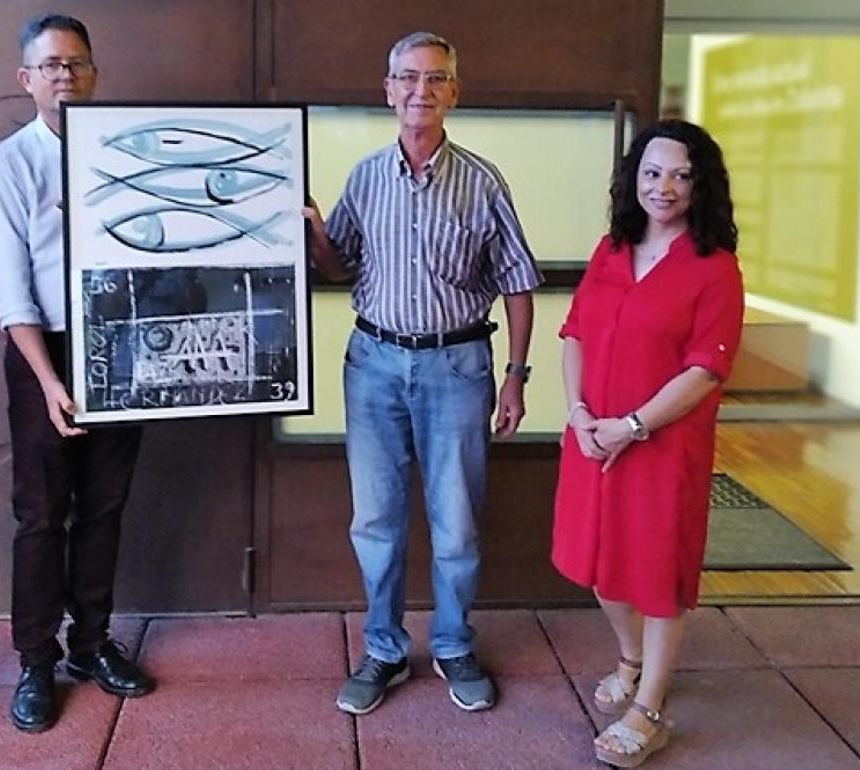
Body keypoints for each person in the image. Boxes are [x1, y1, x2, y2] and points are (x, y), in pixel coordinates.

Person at [304, 31, 542, 716]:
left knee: (456, 521)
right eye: (408, 78)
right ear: (388, 90)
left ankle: (452, 643)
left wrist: (517, 376)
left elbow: (518, 284)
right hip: (374, 364)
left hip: (457, 365)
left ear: (454, 93)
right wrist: (317, 230)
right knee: (375, 518)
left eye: (436, 79)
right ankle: (382, 649)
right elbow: (337, 267)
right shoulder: (367, 177)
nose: (421, 91)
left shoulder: (483, 180)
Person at [0, 13, 153, 734]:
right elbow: (10, 289)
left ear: (94, 73)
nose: (64, 75)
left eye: (76, 63)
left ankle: (91, 644)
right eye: (49, 65)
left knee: (105, 504)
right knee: (43, 512)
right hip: (40, 350)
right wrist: (50, 382)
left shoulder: (125, 155)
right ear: (27, 80)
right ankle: (34, 661)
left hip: (122, 344)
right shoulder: (8, 165)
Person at [552, 119, 743, 767]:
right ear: (633, 179)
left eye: (682, 175)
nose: (665, 187)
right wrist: (579, 415)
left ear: (701, 185)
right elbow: (574, 333)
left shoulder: (714, 269)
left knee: (659, 575)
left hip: (661, 448)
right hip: (594, 440)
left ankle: (650, 710)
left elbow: (706, 369)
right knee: (603, 565)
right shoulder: (612, 249)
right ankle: (631, 658)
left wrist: (632, 426)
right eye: (653, 173)